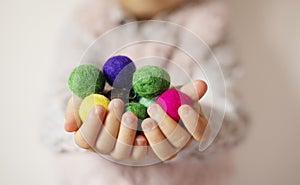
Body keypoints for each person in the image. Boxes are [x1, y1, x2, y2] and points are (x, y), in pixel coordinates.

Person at [42, 0, 248, 184]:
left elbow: (232, 118)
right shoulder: (88, 23)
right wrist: (82, 125)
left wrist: (196, 129)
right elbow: (54, 116)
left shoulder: (209, 26)